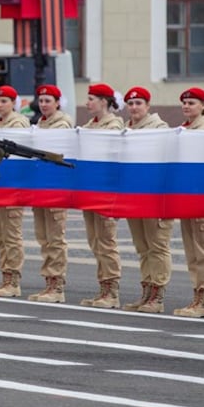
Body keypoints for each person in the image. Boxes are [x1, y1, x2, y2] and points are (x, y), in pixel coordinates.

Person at [120, 86, 172, 313]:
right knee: (142, 247)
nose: (134, 108)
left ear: (148, 106)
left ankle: (157, 296)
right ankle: (146, 291)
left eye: (138, 103)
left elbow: (164, 161)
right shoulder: (126, 129)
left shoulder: (159, 128)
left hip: (154, 196)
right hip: (134, 196)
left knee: (157, 246)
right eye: (130, 104)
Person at [78, 83, 126, 308]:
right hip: (90, 189)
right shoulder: (89, 125)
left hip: (106, 190)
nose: (88, 103)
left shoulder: (113, 125)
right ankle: (102, 288)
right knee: (95, 240)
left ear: (104, 101)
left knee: (106, 240)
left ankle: (111, 290)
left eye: (91, 98)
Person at [174, 87, 204, 318]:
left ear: (203, 106)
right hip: (187, 197)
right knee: (192, 251)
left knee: (203, 250)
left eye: (192, 103)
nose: (187, 106)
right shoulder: (184, 129)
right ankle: (197, 296)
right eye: (184, 103)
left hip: (201, 197)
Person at [26, 84, 74, 303]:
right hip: (41, 187)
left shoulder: (61, 125)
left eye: (48, 101)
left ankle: (57, 285)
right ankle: (48, 282)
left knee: (55, 238)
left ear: (57, 103)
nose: (44, 105)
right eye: (42, 100)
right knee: (43, 237)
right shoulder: (40, 123)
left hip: (55, 189)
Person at [0, 85, 30, 297]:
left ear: (13, 103)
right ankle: (5, 277)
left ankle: (13, 280)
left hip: (12, 188)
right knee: (1, 236)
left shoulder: (17, 123)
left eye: (4, 101)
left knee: (12, 235)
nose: (0, 105)